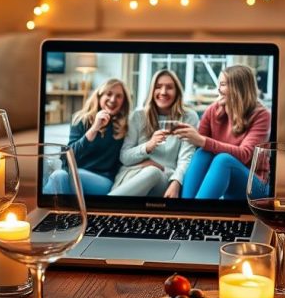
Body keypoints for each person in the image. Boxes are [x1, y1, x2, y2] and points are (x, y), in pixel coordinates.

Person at [178, 64, 270, 200]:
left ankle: (195, 211)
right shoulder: (213, 110)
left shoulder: (262, 115)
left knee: (223, 160)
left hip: (255, 184)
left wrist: (202, 140)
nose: (218, 90)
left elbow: (245, 154)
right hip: (227, 179)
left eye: (222, 84)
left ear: (238, 87)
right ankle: (185, 209)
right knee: (202, 153)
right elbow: (199, 145)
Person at [109, 69, 198, 198]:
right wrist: (148, 146)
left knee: (153, 171)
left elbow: (186, 158)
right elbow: (125, 157)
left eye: (169, 87)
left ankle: (105, 205)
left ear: (177, 92)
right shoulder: (138, 116)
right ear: (152, 90)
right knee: (151, 171)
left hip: (164, 179)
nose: (163, 92)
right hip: (133, 175)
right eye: (158, 87)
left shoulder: (188, 117)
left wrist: (176, 182)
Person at [44, 78, 130, 196]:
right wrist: (94, 128)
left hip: (103, 180)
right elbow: (67, 157)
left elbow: (127, 156)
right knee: (59, 177)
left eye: (118, 96)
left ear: (124, 101)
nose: (113, 99)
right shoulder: (81, 119)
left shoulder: (125, 125)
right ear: (99, 96)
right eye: (109, 94)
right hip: (74, 174)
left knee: (59, 177)